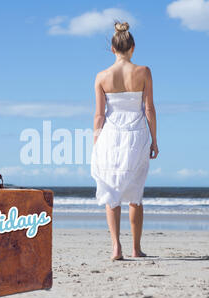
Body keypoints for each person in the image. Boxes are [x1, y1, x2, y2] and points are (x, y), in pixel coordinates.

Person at [90, 21, 159, 261]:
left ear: (112, 48)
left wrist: (95, 142)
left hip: (110, 135)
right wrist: (155, 140)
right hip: (137, 134)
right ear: (133, 47)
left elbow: (99, 115)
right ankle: (135, 248)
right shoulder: (144, 72)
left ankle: (116, 248)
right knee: (135, 193)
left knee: (112, 190)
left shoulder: (102, 76)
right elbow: (149, 109)